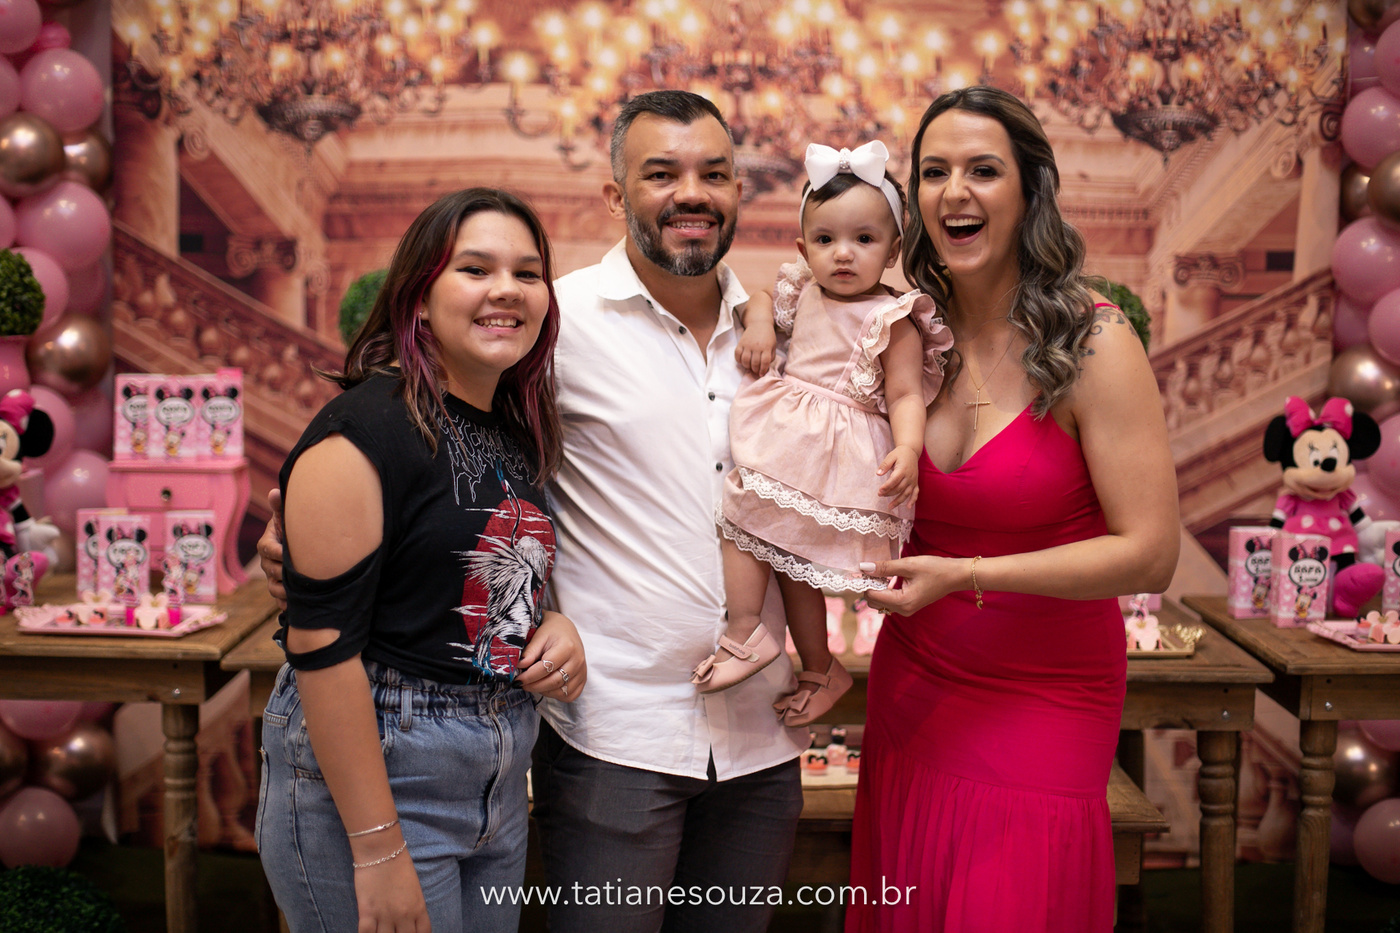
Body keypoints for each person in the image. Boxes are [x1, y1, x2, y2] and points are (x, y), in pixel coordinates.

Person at [262, 92, 808, 933]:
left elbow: (505, 510)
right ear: (617, 195)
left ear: (741, 189)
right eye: (661, 173)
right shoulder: (555, 323)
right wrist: (298, 541)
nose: (691, 193)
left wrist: (541, 610)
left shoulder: (787, 334)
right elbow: (388, 485)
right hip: (612, 734)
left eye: (714, 173)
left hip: (754, 736)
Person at [846, 87, 1179, 932]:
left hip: (1046, 697)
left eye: (983, 170)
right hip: (914, 689)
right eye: (933, 172)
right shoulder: (904, 334)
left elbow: (1151, 553)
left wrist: (969, 574)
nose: (954, 191)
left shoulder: (1095, 341)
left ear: (1031, 191)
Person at [256, 187, 587, 933]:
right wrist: (377, 848)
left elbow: (455, 573)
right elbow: (322, 650)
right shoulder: (361, 431)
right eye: (475, 268)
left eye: (528, 272)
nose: (507, 288)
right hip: (380, 773)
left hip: (496, 769)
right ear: (419, 298)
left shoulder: (511, 426)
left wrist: (551, 624)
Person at [690, 139, 952, 728]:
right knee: (778, 548)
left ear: (893, 250)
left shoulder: (893, 317)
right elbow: (758, 299)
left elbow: (906, 394)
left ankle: (747, 633)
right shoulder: (801, 289)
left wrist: (908, 447)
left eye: (864, 239)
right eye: (827, 240)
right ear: (804, 248)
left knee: (755, 527)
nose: (843, 254)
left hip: (840, 449)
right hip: (790, 431)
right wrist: (761, 325)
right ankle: (818, 666)